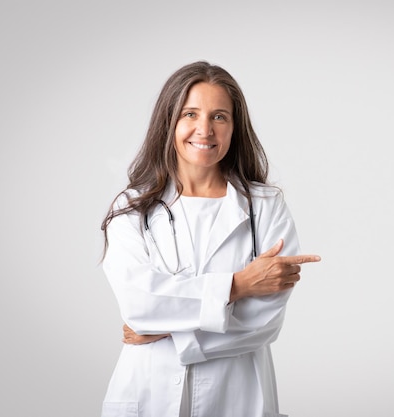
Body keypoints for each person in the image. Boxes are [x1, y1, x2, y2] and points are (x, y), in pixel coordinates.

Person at [99, 60, 321, 417]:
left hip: (238, 394)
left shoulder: (265, 205)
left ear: (234, 128)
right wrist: (237, 285)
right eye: (190, 114)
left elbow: (264, 321)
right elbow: (139, 304)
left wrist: (171, 332)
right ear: (168, 122)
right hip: (147, 392)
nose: (204, 129)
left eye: (219, 117)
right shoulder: (131, 207)